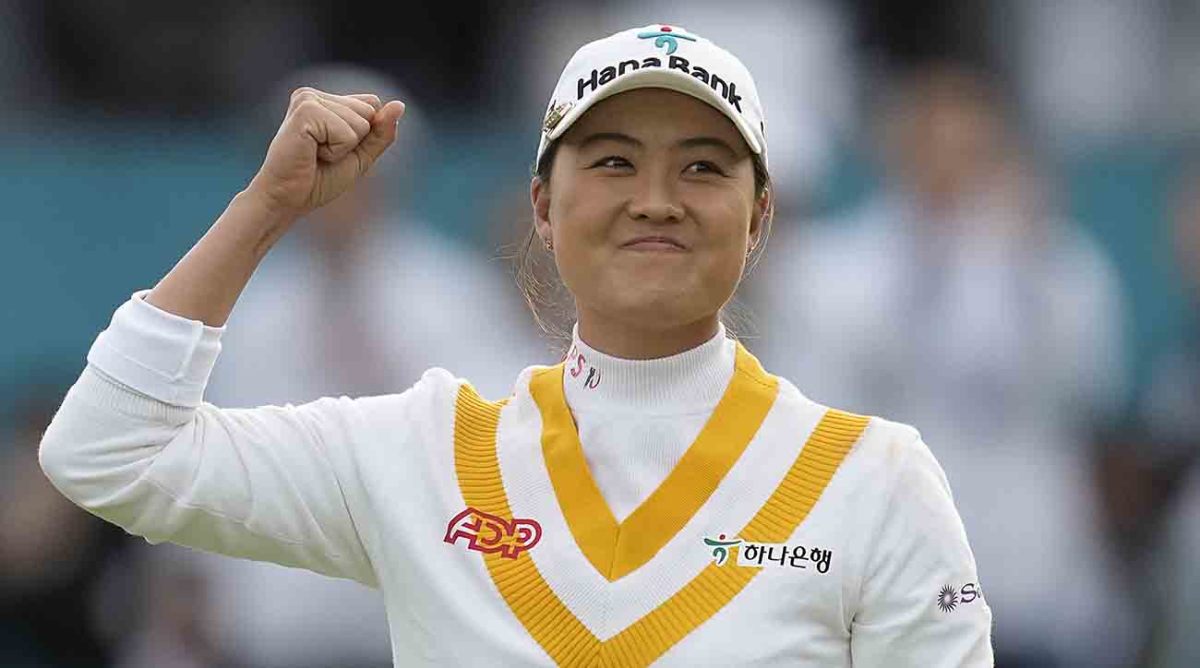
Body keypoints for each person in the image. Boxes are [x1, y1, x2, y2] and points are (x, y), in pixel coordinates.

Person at [39, 25, 993, 666]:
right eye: (613, 160)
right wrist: (266, 209)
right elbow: (109, 451)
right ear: (542, 206)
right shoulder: (427, 453)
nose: (654, 198)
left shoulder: (873, 480)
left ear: (758, 218)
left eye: (702, 167)